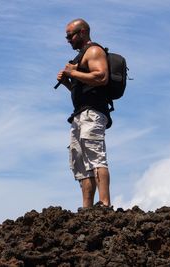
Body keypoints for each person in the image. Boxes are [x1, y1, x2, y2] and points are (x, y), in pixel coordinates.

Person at [57, 18, 111, 208]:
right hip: (80, 114)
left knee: (95, 157)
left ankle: (104, 204)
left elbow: (101, 76)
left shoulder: (94, 51)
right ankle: (87, 209)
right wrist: (68, 83)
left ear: (82, 33)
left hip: (93, 113)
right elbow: (83, 88)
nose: (67, 39)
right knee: (80, 162)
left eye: (69, 35)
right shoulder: (80, 57)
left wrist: (72, 73)